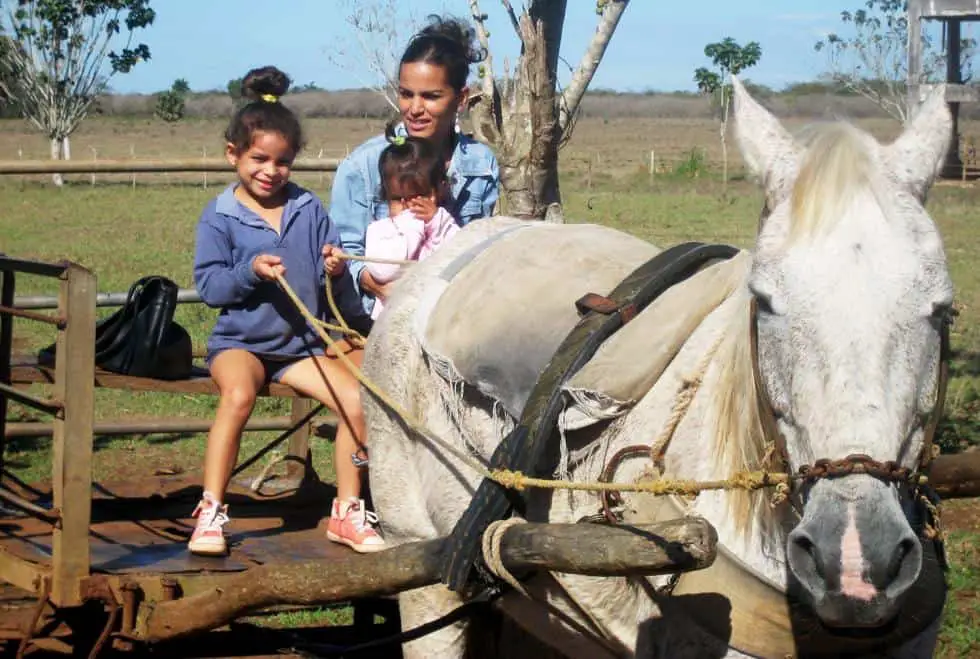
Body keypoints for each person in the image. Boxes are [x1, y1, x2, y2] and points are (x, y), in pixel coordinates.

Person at [191, 66, 384, 556]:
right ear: (233, 153)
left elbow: (334, 292)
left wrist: (338, 271)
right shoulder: (220, 215)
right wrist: (250, 270)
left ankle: (347, 510)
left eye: (282, 162)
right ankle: (211, 510)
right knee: (237, 395)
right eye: (258, 158)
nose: (270, 171)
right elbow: (211, 287)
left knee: (358, 404)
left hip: (302, 345)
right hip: (242, 343)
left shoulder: (309, 209)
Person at [331, 15, 499, 326]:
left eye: (431, 96)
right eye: (407, 94)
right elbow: (344, 252)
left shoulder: (482, 166)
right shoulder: (362, 167)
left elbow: (484, 249)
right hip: (374, 321)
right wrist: (377, 285)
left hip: (455, 319)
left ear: (461, 98)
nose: (414, 108)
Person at [364, 121, 460, 319]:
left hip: (437, 317)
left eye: (419, 197)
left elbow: (458, 255)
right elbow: (383, 270)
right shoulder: (379, 231)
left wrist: (437, 221)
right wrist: (412, 229)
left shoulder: (445, 225)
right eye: (398, 199)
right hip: (392, 322)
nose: (408, 207)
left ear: (439, 190)